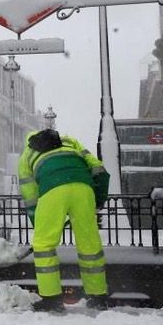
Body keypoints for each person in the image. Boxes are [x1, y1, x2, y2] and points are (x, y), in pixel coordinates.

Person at [18, 128, 110, 312]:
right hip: (84, 187)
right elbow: (99, 168)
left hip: (53, 189)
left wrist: (39, 222)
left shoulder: (26, 155)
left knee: (44, 246)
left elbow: (30, 194)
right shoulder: (71, 142)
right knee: (89, 244)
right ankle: (98, 296)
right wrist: (98, 198)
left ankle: (51, 300)